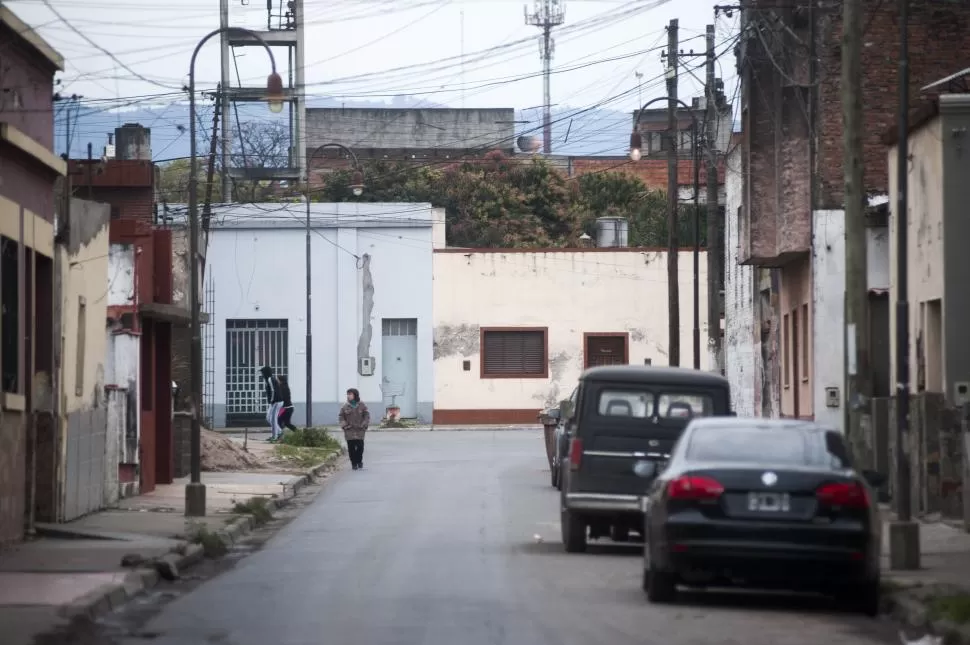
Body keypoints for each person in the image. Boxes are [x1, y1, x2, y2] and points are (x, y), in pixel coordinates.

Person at [338, 388, 370, 470]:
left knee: (360, 447)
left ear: (355, 395)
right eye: (348, 394)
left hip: (359, 430)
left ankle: (359, 461)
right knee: (351, 447)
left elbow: (366, 415)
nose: (349, 396)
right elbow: (341, 417)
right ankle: (354, 463)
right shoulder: (345, 406)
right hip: (349, 430)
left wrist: (364, 424)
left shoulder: (362, 405)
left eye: (350, 394)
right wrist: (344, 426)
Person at [260, 366, 284, 442]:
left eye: (262, 373)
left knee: (273, 419)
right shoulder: (269, 379)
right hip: (274, 402)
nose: (262, 375)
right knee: (268, 418)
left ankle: (274, 437)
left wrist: (272, 400)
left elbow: (273, 391)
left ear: (266, 373)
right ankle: (279, 432)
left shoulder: (270, 379)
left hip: (277, 401)